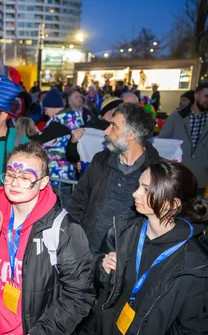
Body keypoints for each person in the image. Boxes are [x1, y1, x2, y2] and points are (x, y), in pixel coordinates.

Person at [0, 142, 95, 335]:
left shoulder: (64, 229)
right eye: (10, 175)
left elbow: (79, 296)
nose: (15, 183)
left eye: (26, 177)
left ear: (43, 182)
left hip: (28, 334)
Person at [82, 161, 208, 335]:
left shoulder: (194, 264)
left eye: (146, 189)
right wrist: (101, 265)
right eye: (139, 186)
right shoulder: (122, 232)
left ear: (172, 204)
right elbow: (94, 277)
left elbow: (190, 332)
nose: (135, 193)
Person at [67, 103, 159, 253]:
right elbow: (77, 202)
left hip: (128, 261)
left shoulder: (157, 172)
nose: (106, 132)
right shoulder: (100, 161)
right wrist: (72, 241)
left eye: (113, 126)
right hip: (88, 255)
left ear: (131, 135)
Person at [159, 83, 208, 192]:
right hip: (177, 178)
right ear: (196, 96)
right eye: (206, 96)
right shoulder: (177, 116)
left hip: (201, 180)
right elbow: (162, 142)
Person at [40, 89, 84, 198]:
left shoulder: (55, 123)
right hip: (69, 174)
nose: (45, 113)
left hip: (55, 174)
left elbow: (41, 143)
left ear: (52, 106)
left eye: (46, 109)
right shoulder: (76, 119)